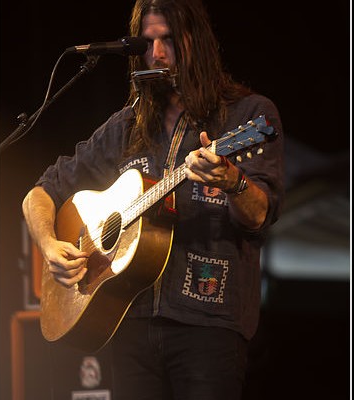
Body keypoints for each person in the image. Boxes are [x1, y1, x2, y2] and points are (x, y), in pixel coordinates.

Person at [22, 0, 284, 399]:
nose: (156, 54)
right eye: (147, 43)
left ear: (197, 43)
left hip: (209, 327)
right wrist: (48, 244)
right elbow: (39, 194)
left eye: (168, 41)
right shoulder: (126, 125)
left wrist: (232, 180)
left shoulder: (247, 115)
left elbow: (260, 215)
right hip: (129, 321)